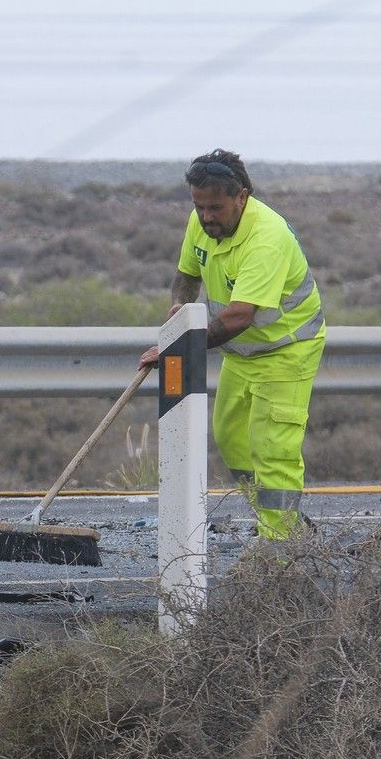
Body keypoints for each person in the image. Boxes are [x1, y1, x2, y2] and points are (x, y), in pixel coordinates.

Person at [140, 149, 325, 541]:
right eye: (199, 207)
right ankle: (283, 523)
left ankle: (279, 548)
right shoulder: (201, 223)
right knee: (231, 439)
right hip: (241, 353)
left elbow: (240, 316)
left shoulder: (266, 239)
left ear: (241, 197)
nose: (206, 217)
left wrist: (179, 347)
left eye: (216, 208)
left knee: (272, 447)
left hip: (286, 351)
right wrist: (180, 307)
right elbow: (187, 274)